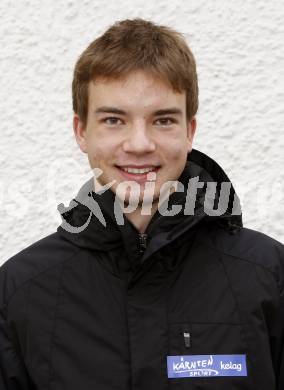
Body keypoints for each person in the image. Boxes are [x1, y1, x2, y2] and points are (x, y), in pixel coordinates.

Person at [0, 17, 283, 390]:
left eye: (163, 120)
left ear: (189, 131)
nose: (138, 144)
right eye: (114, 119)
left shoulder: (269, 276)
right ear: (81, 131)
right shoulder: (20, 289)